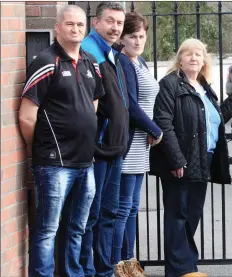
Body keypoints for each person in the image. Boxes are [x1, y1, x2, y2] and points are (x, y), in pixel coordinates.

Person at [19, 5, 104, 277]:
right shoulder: (45, 62)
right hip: (55, 165)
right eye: (69, 24)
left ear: (86, 27)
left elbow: (93, 104)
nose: (75, 29)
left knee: (77, 227)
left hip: (85, 162)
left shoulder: (91, 63)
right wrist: (44, 149)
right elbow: (27, 117)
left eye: (80, 24)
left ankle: (73, 273)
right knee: (47, 230)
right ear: (58, 28)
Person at [149, 38, 232, 277]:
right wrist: (176, 159)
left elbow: (215, 119)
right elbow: (163, 123)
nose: (193, 58)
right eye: (188, 54)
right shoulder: (169, 84)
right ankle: (182, 269)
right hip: (179, 160)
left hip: (204, 158)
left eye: (198, 54)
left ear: (204, 61)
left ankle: (184, 266)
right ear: (179, 59)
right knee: (177, 213)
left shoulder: (204, 87)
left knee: (192, 213)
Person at [76, 2, 129, 277]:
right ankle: (87, 271)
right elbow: (86, 107)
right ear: (95, 23)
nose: (115, 28)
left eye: (119, 23)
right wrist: (93, 146)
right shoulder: (88, 53)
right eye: (110, 21)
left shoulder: (111, 52)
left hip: (115, 149)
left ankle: (104, 270)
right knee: (90, 217)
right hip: (97, 151)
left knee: (108, 214)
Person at [112, 12, 162, 277]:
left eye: (142, 36)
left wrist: (152, 131)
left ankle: (130, 262)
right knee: (123, 209)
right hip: (130, 144)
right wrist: (155, 129)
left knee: (131, 207)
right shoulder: (123, 61)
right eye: (132, 36)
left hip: (142, 145)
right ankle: (120, 265)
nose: (138, 40)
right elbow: (130, 105)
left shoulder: (139, 61)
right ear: (122, 38)